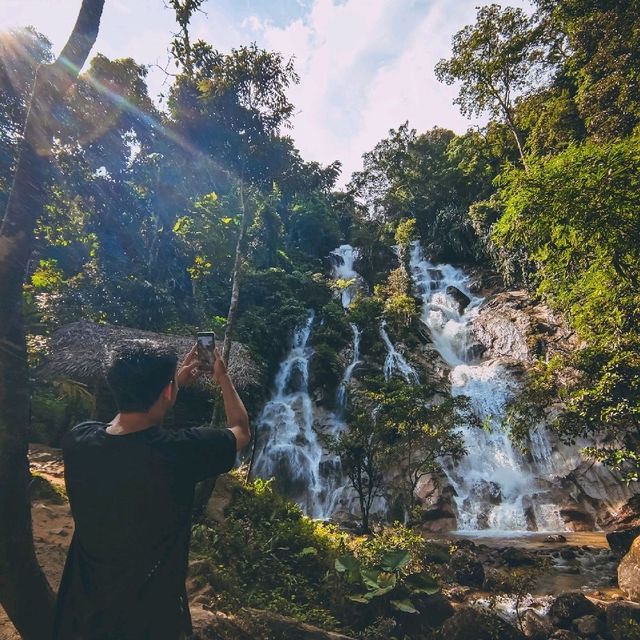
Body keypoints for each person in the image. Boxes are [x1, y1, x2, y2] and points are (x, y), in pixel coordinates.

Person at [52, 339, 250, 640]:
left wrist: (169, 388)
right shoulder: (179, 454)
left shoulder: (78, 441)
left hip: (81, 612)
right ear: (167, 392)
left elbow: (118, 427)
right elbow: (241, 430)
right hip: (148, 618)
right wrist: (222, 377)